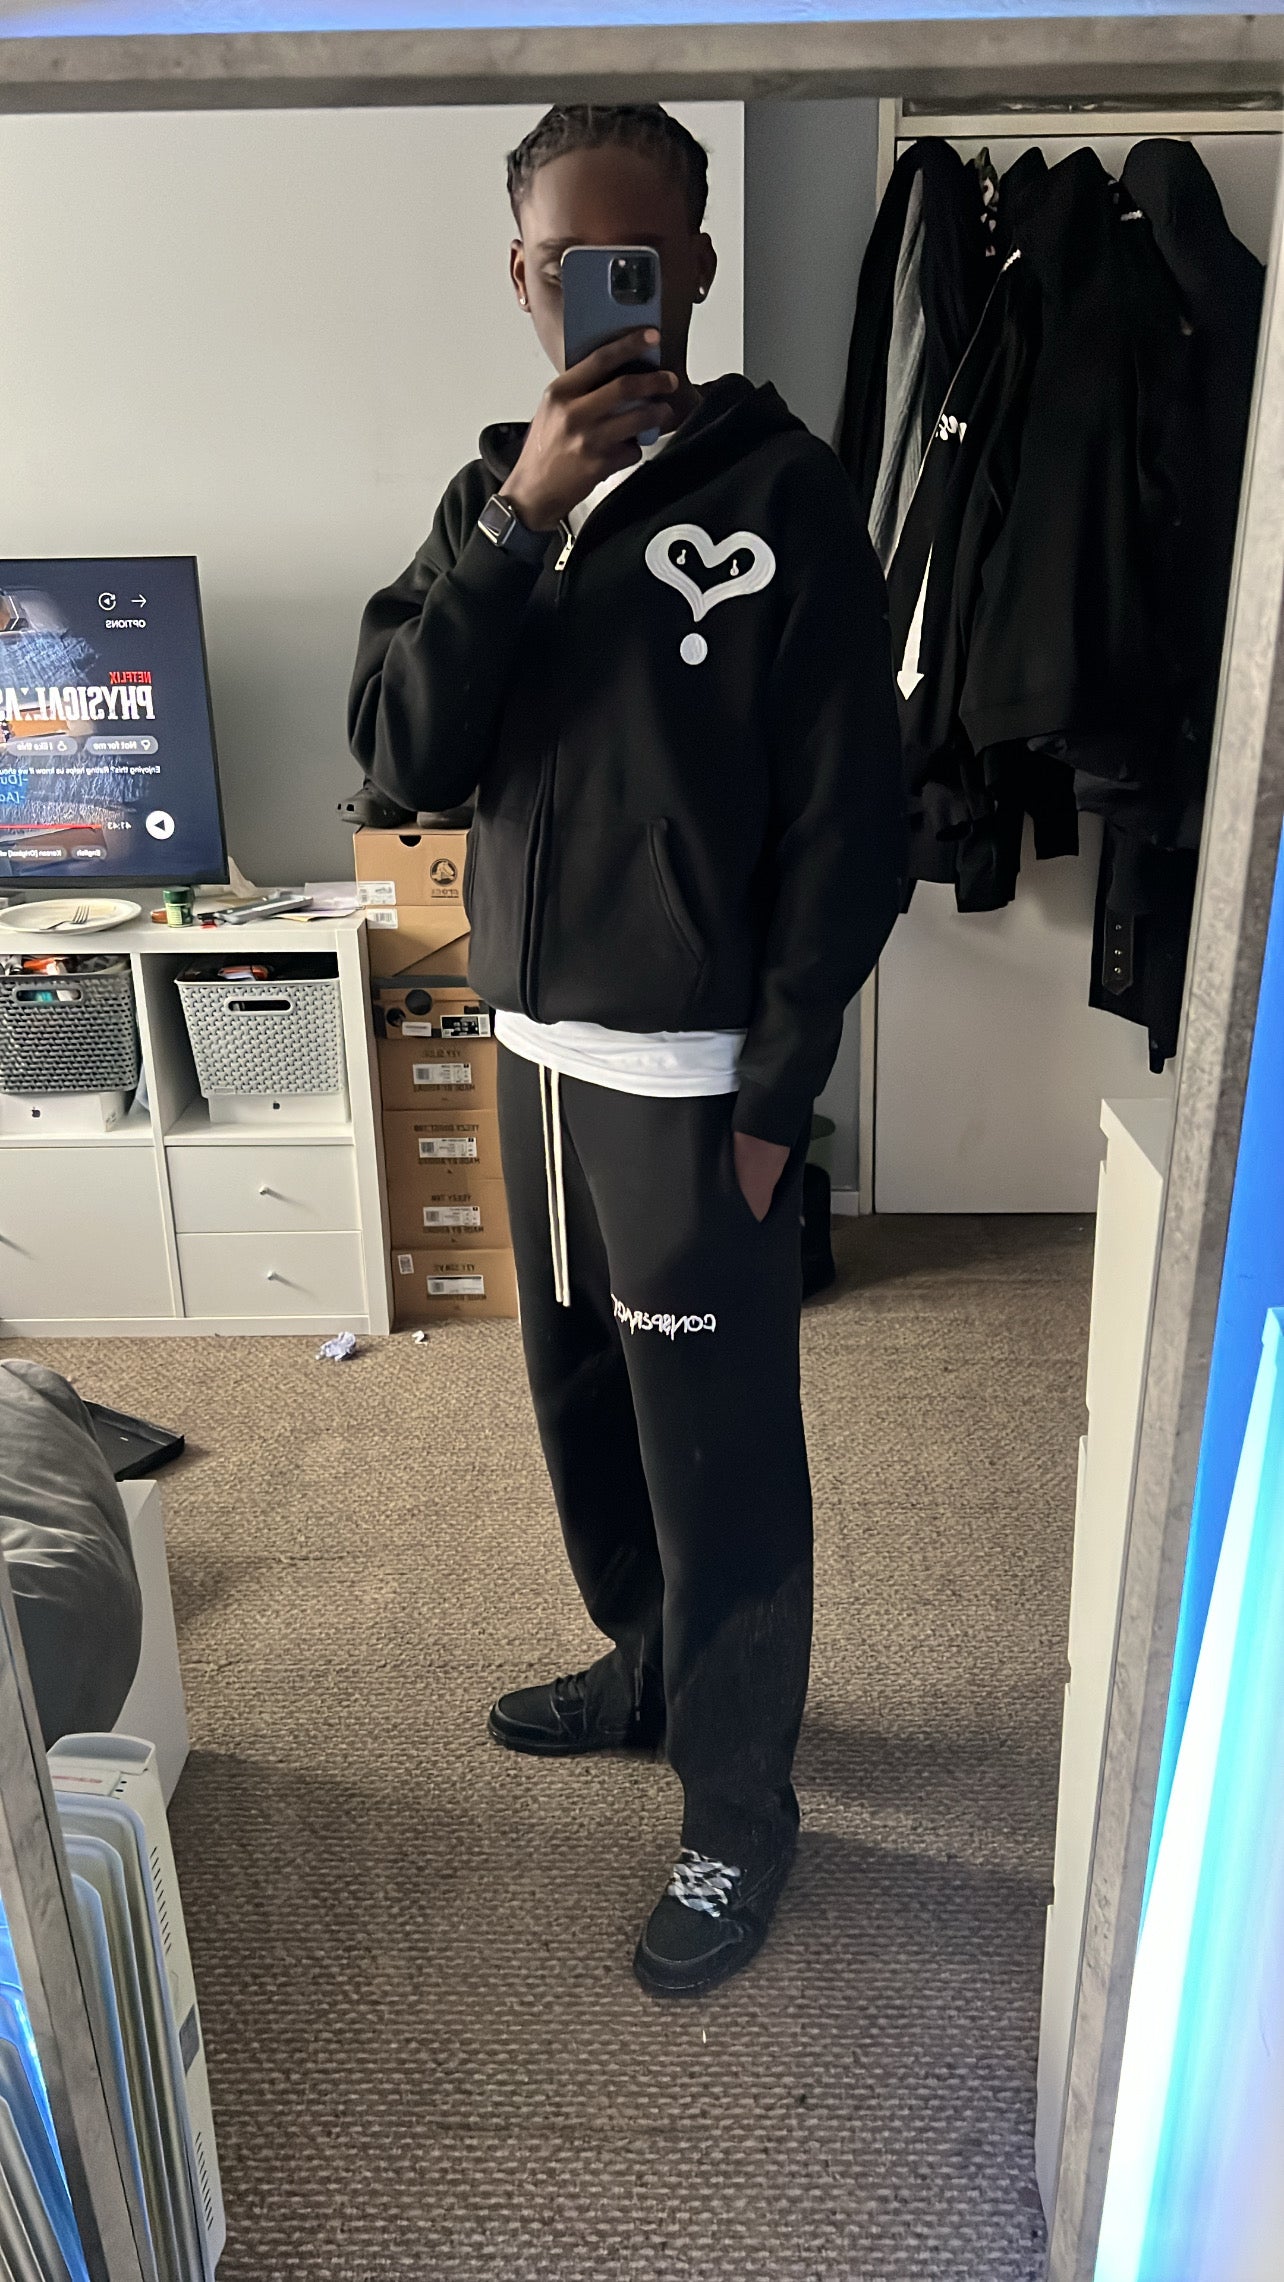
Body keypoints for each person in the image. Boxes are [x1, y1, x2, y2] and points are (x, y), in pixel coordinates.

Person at [349, 102, 904, 1998]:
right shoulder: (485, 503)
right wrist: (519, 521)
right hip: (529, 1053)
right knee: (581, 1405)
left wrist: (777, 1094)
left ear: (694, 268)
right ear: (520, 279)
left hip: (691, 1083)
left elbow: (851, 828)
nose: (599, 297)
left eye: (635, 263)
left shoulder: (787, 496)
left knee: (719, 1453)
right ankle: (650, 1662)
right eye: (562, 266)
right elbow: (403, 758)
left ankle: (741, 1804)